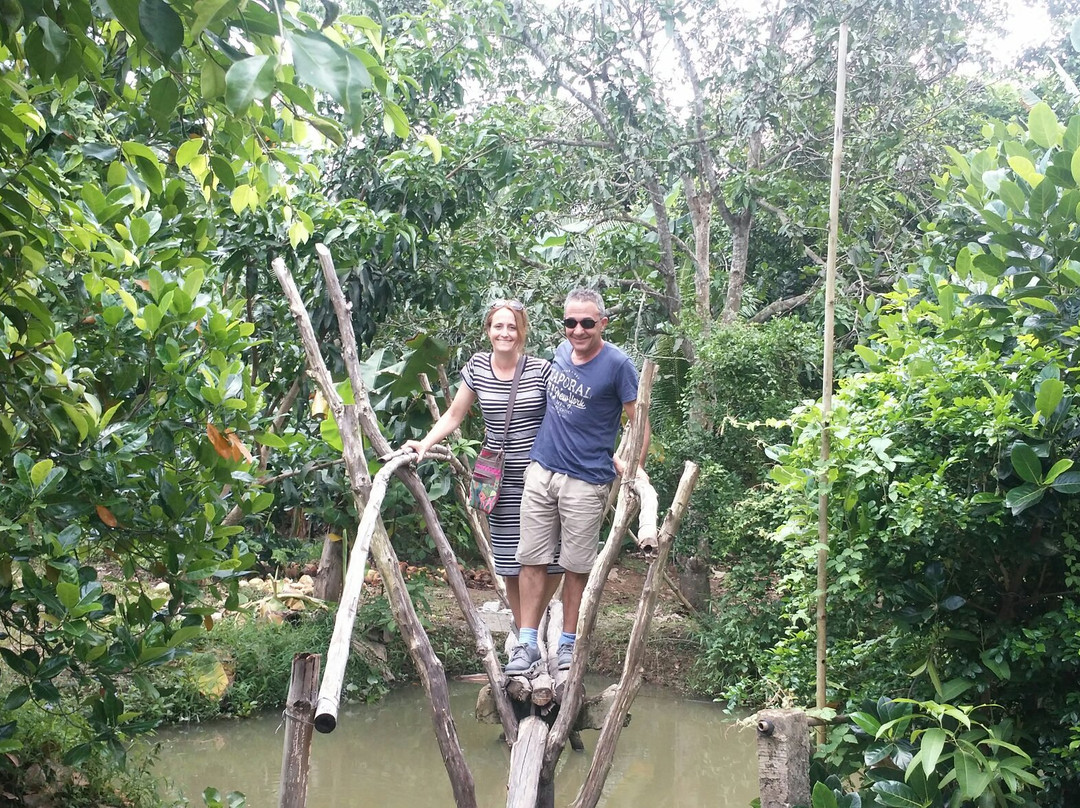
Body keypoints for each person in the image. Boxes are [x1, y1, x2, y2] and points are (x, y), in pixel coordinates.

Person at [505, 287, 648, 675]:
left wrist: (631, 466)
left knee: (575, 566)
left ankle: (567, 643)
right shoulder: (560, 352)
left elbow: (640, 423)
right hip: (542, 470)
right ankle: (528, 642)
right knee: (531, 560)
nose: (579, 330)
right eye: (571, 322)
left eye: (587, 322)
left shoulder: (619, 365)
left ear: (602, 322)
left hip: (586, 481)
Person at [403, 300, 562, 629]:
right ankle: (524, 637)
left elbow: (565, 419)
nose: (505, 332)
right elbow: (454, 414)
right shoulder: (476, 367)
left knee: (551, 560)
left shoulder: (540, 369)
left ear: (521, 332)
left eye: (512, 326)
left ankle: (532, 625)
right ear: (488, 330)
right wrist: (424, 443)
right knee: (509, 563)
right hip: (498, 478)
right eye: (498, 326)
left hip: (539, 476)